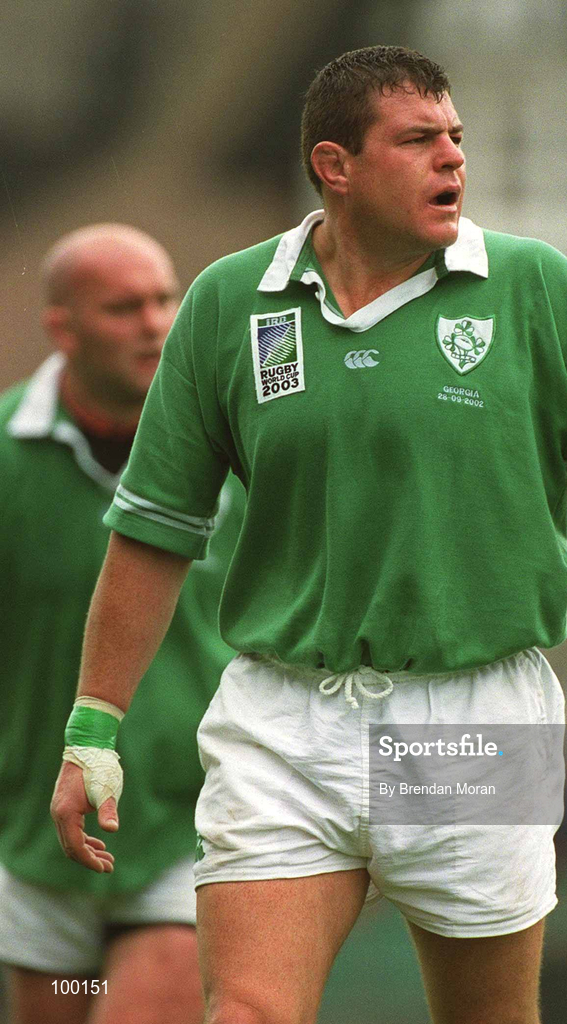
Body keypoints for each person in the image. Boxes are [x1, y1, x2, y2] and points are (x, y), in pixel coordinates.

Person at [50, 48, 567, 1024]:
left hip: (475, 719)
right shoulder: (226, 305)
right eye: (418, 141)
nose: (452, 160)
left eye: (456, 139)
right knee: (243, 1012)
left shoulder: (533, 287)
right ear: (336, 164)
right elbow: (153, 534)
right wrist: (92, 728)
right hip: (282, 714)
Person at [0, 224, 243, 1024]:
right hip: (31, 832)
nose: (155, 323)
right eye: (124, 307)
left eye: (165, 298)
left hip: (192, 826)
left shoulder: (238, 451)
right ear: (61, 327)